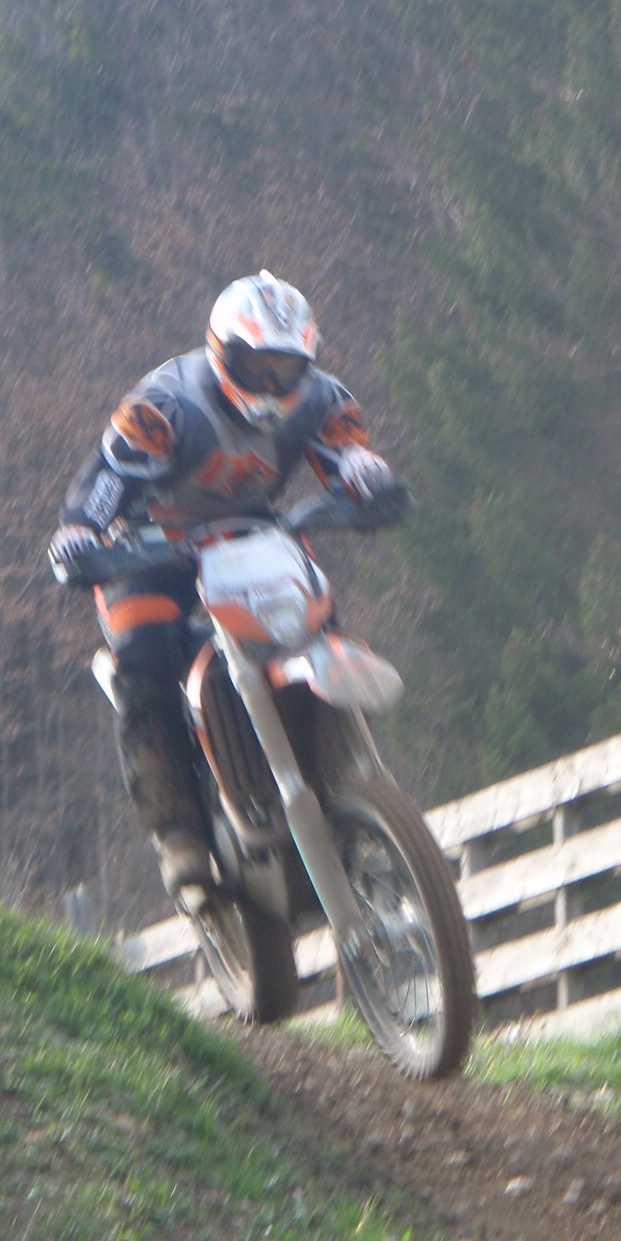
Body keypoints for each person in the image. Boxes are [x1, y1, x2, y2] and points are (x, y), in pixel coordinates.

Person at [49, 270, 405, 896]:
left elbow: (345, 450)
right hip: (146, 550)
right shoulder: (164, 406)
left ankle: (349, 776)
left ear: (306, 365)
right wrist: (80, 530)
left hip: (248, 535)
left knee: (313, 619)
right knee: (143, 663)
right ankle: (178, 836)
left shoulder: (321, 399)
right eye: (254, 364)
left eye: (284, 369)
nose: (269, 382)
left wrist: (365, 473)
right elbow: (107, 477)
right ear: (220, 352)